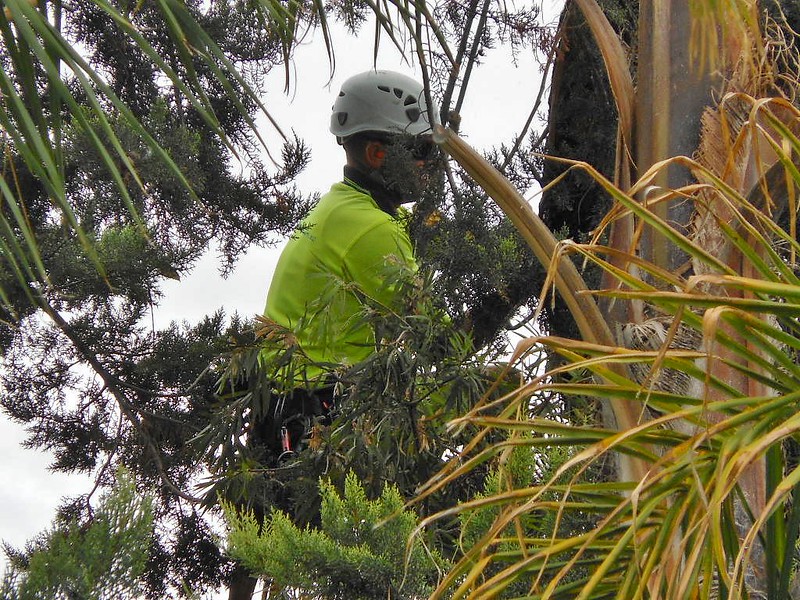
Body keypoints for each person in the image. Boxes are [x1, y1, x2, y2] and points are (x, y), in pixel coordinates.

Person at [227, 69, 439, 600]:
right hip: (315, 418)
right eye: (421, 153)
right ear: (376, 155)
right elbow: (429, 337)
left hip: (279, 415)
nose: (429, 167)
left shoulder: (338, 207)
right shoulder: (374, 230)